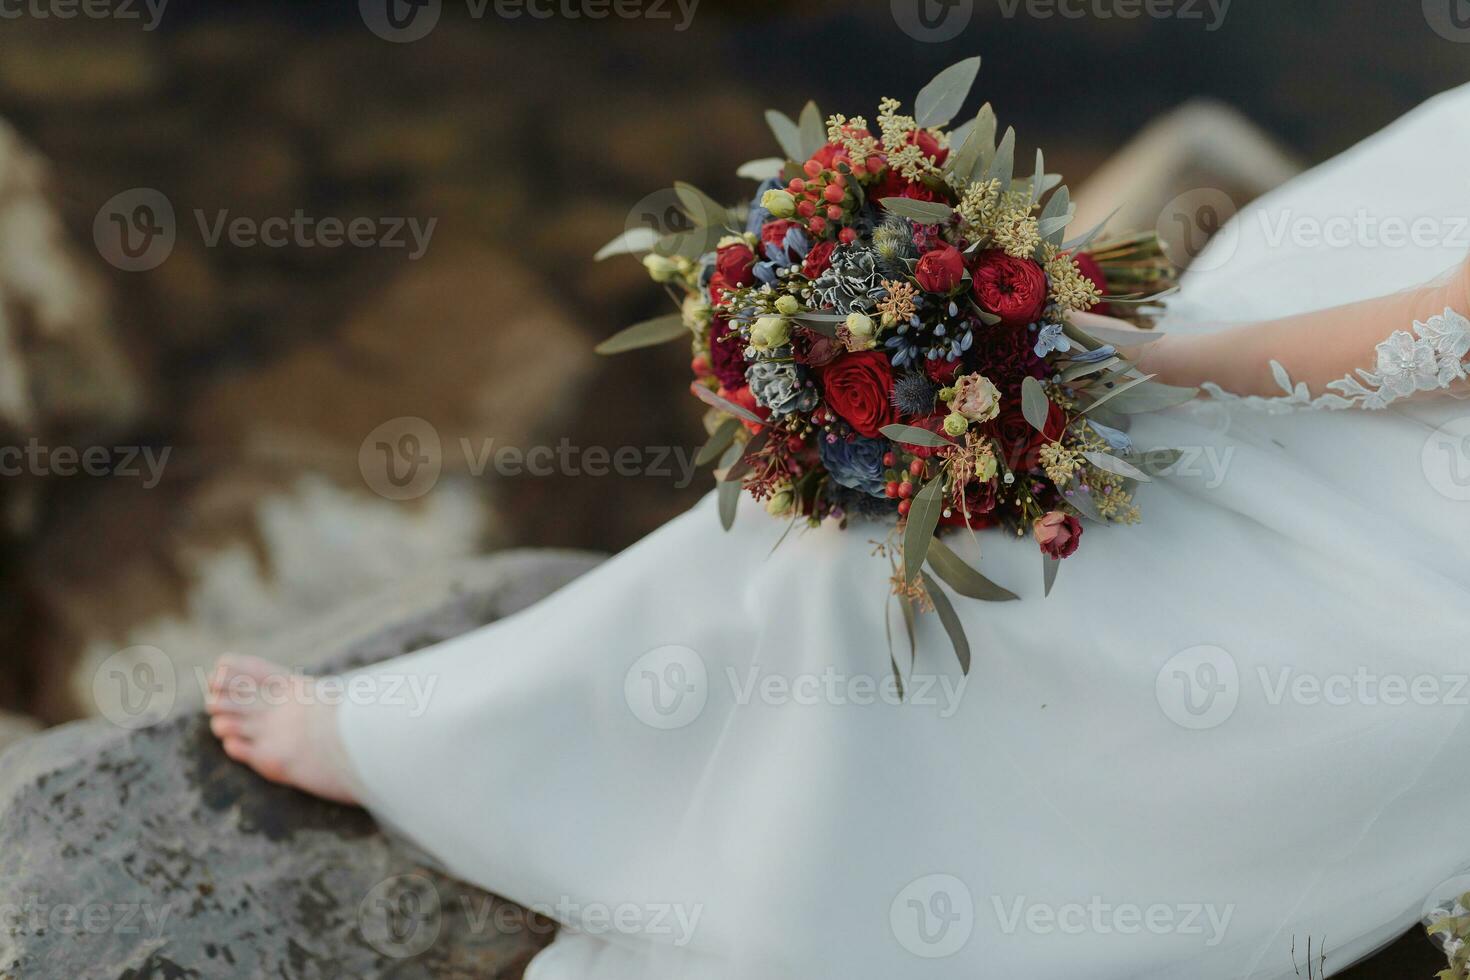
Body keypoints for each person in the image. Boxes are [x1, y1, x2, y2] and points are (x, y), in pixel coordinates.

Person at [206, 83, 1470, 979]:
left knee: (954, 564)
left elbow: (1421, 345)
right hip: (1370, 348)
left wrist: (1136, 354)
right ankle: (490, 744)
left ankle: (775, 888)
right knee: (854, 517)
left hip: (1416, 495)